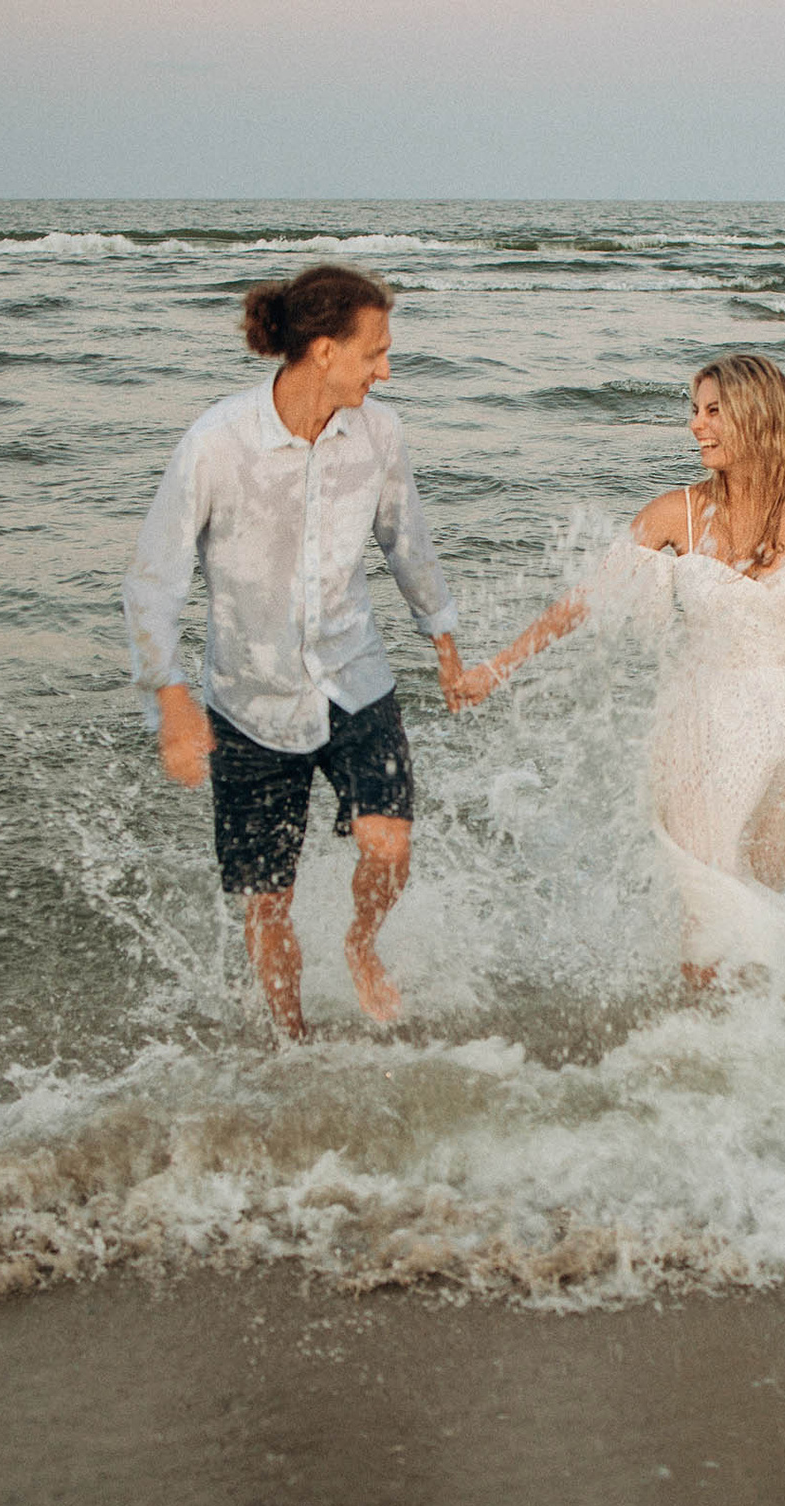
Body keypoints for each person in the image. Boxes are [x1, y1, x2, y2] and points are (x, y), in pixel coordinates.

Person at [457, 352, 785, 986]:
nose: (696, 426)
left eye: (713, 412)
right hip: (704, 721)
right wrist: (497, 668)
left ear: (757, 417)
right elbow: (585, 600)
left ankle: (744, 1035)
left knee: (756, 883)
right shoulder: (675, 511)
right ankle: (695, 1039)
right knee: (708, 901)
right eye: (694, 411)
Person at [122, 264, 466, 1038]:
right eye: (373, 351)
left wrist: (442, 638)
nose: (386, 367)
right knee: (267, 901)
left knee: (389, 842)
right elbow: (151, 584)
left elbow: (408, 545)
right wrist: (170, 697)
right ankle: (292, 1041)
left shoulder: (381, 434)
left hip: (354, 678)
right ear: (321, 351)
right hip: (248, 701)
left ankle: (360, 942)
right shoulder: (217, 444)